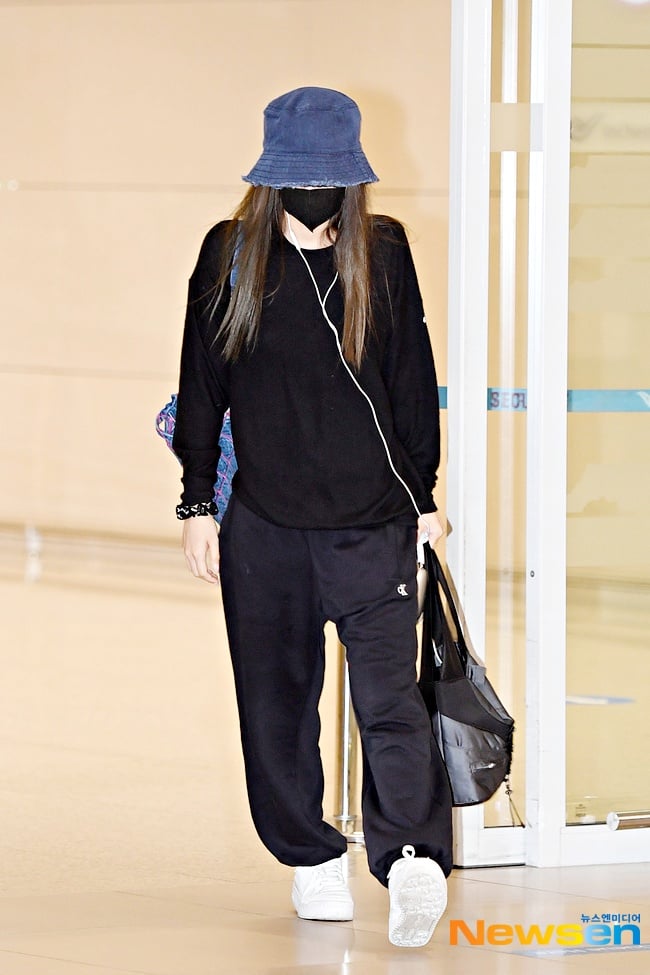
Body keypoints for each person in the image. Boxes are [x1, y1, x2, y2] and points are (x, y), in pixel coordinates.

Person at [172, 86, 453, 949]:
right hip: (264, 528)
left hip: (373, 524)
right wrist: (197, 501)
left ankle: (411, 858)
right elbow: (202, 382)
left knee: (392, 702)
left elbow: (411, 377)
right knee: (275, 706)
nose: (315, 194)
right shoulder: (231, 255)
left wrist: (424, 494)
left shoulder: (384, 251)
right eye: (301, 178)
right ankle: (311, 853)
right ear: (272, 178)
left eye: (329, 177)